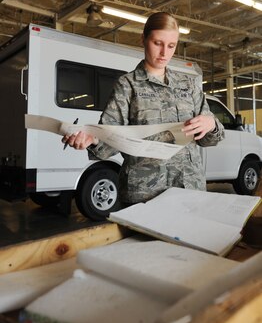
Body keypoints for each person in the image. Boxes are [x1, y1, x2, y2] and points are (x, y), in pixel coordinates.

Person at [62, 12, 224, 205]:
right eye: (158, 43)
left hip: (189, 188)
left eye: (171, 46)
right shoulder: (128, 85)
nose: (164, 53)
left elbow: (210, 139)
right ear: (144, 40)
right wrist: (92, 138)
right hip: (144, 193)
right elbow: (110, 135)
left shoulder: (188, 85)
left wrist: (211, 124)